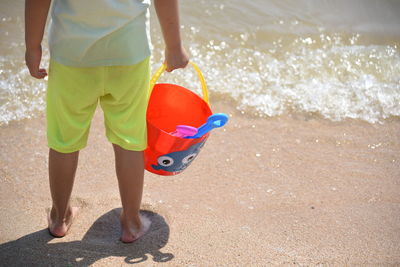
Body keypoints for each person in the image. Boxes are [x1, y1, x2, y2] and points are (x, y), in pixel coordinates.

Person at [25, 0, 189, 243]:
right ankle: (131, 222)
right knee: (129, 138)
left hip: (72, 56)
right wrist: (174, 46)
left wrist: (32, 46)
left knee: (64, 138)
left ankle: (60, 218)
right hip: (129, 54)